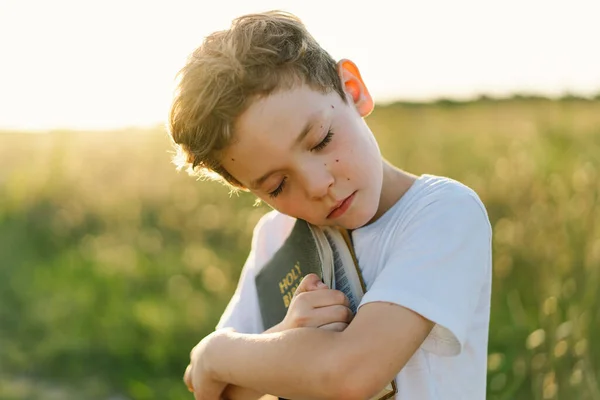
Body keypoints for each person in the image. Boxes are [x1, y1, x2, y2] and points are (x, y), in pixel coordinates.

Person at [168, 10, 492, 400]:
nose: (319, 185)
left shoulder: (441, 213)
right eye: (278, 184)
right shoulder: (275, 237)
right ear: (247, 188)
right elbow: (209, 387)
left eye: (321, 140)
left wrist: (217, 350)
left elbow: (351, 374)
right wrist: (283, 340)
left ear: (353, 90)